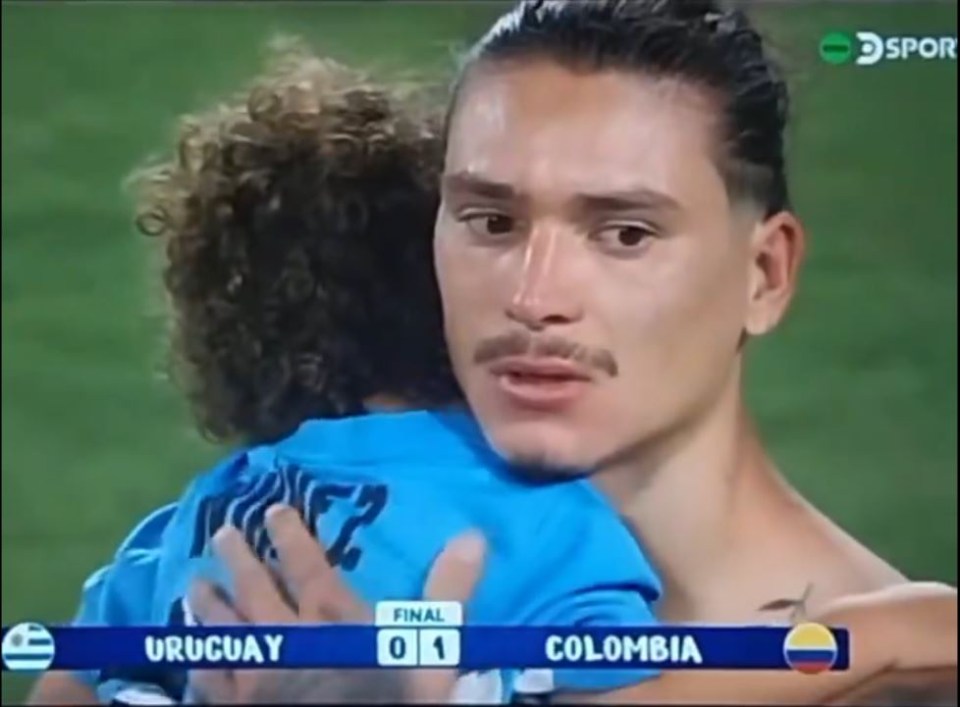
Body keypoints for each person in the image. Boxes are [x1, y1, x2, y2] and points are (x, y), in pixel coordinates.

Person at [27, 2, 958, 705]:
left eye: (624, 232)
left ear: (764, 273)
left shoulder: (902, 678)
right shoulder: (290, 568)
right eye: (490, 220)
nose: (532, 294)